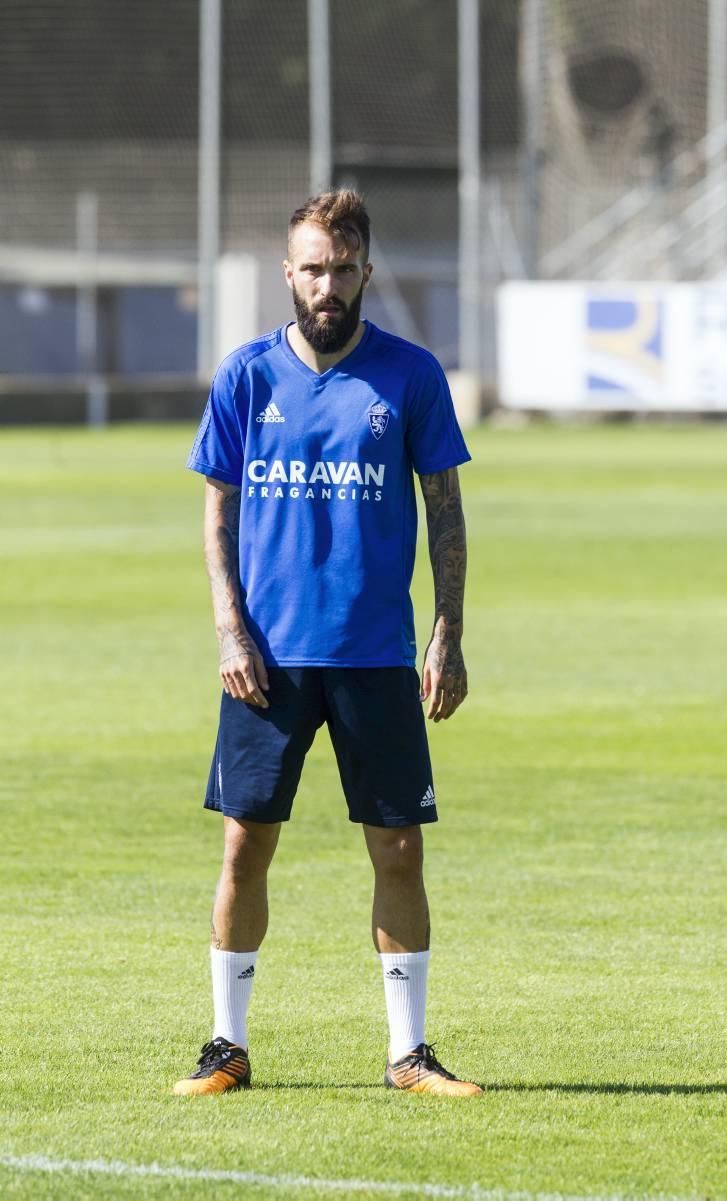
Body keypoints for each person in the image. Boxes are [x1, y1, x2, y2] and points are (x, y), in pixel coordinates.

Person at [174, 189, 481, 1098]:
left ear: (366, 273)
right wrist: (230, 626)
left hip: (377, 654)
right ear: (289, 272)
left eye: (344, 269)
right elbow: (217, 512)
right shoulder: (245, 376)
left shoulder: (411, 375)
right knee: (244, 847)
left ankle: (409, 1054)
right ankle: (227, 1047)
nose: (328, 284)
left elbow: (445, 512)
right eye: (313, 268)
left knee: (399, 850)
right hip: (266, 660)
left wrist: (447, 633)